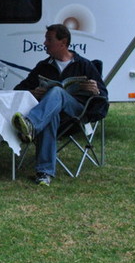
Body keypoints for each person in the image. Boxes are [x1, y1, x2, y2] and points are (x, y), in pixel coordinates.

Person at [12, 24, 108, 186]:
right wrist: (32, 92)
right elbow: (19, 90)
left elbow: (104, 97)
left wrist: (95, 91)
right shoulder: (43, 66)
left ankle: (31, 124)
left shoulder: (84, 65)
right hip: (51, 115)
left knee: (57, 92)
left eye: (49, 39)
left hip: (76, 113)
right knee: (51, 116)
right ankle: (44, 173)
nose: (45, 43)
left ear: (63, 43)